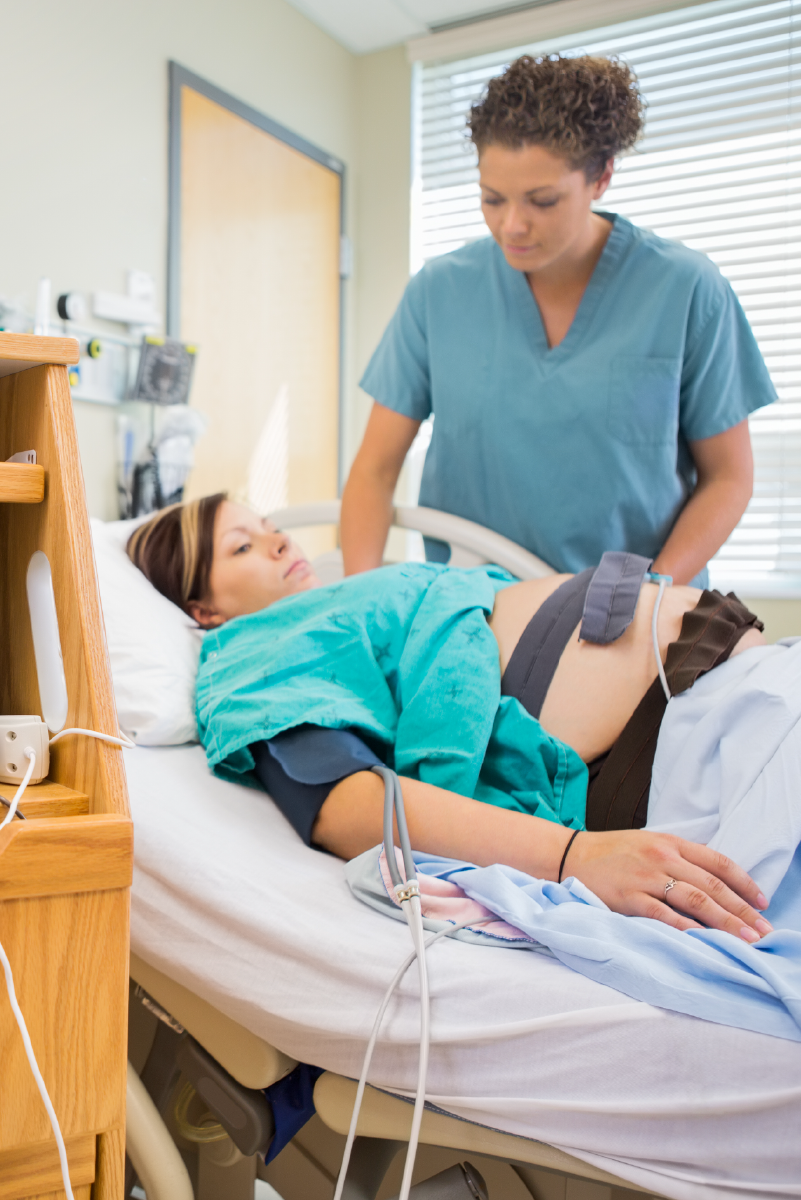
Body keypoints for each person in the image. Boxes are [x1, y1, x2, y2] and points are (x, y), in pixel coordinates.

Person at [127, 495, 776, 945]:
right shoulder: (253, 656)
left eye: (267, 524)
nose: (277, 540)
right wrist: (575, 856)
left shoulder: (343, 602)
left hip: (722, 674)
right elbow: (345, 802)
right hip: (664, 746)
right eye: (243, 546)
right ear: (203, 609)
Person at [341, 55, 777, 588]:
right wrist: (359, 600)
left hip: (631, 618)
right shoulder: (440, 291)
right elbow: (374, 470)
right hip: (472, 617)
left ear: (602, 177)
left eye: (542, 201)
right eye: (491, 199)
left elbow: (729, 478)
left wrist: (646, 598)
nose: (512, 225)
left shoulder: (686, 289)